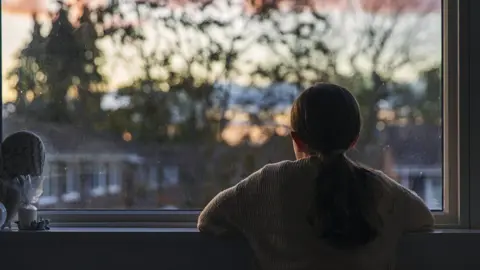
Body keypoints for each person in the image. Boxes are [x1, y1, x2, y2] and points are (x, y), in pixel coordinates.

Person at [198, 83, 434, 270]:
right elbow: (424, 219)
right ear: (354, 140)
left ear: (297, 139)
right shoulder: (381, 189)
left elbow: (209, 219)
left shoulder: (270, 182)